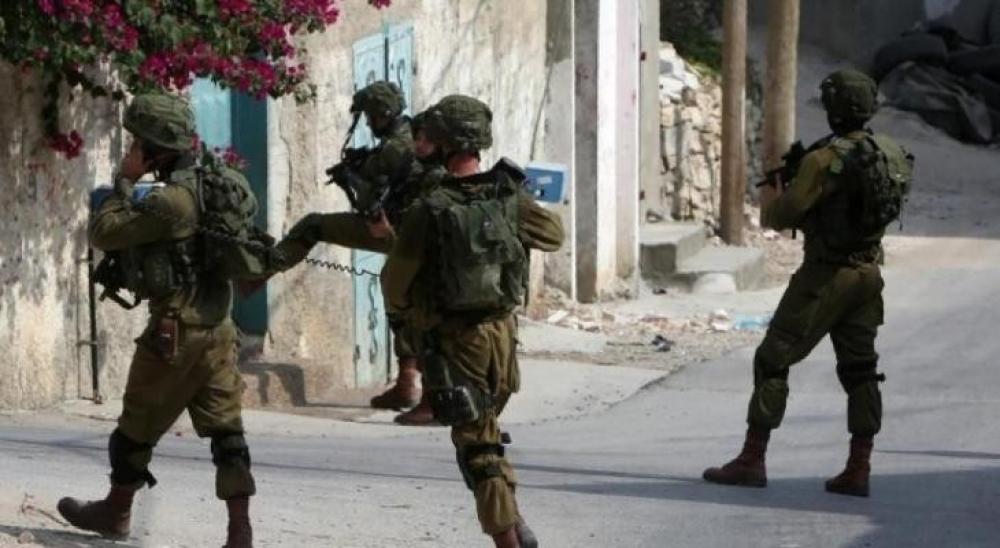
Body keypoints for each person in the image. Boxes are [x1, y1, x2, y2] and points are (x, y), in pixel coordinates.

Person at [58, 93, 261, 547]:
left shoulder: (172, 201)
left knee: (136, 424)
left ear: (155, 149)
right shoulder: (218, 183)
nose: (132, 149)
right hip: (219, 329)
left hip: (175, 332)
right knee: (227, 431)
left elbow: (104, 232)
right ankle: (240, 531)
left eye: (137, 144)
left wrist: (124, 181)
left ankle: (116, 510)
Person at [702, 69, 913, 497]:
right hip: (868, 275)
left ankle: (752, 459)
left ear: (834, 109)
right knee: (861, 369)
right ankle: (859, 467)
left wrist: (781, 191)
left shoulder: (822, 160)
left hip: (825, 276)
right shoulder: (891, 153)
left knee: (772, 358)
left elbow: (780, 217)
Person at [379, 95, 564, 547]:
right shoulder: (508, 196)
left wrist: (410, 314)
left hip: (457, 343)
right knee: (485, 434)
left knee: (478, 448)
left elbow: (394, 284)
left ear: (445, 142)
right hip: (503, 339)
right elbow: (553, 235)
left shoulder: (431, 207)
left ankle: (508, 540)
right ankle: (514, 521)